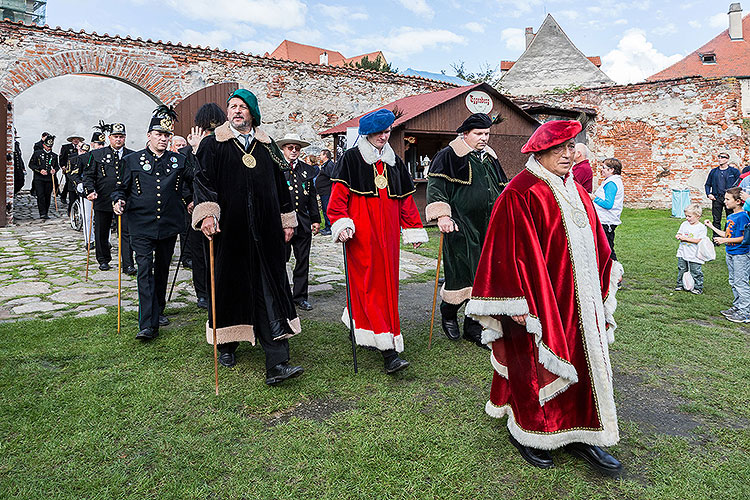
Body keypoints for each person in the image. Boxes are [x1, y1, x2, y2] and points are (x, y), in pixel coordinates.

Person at [466, 120, 624, 476]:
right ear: (541, 151)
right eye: (560, 148)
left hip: (580, 302)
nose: (569, 155)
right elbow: (501, 250)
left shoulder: (577, 191)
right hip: (537, 303)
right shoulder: (521, 191)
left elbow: (598, 241)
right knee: (532, 365)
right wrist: (515, 301)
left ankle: (582, 433)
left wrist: (606, 272)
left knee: (582, 363)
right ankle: (529, 432)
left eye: (572, 147)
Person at [192, 89, 303, 385]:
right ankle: (226, 343)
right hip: (229, 231)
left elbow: (282, 185)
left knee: (271, 288)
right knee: (229, 285)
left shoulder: (267, 147)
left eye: (242, 107)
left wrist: (287, 218)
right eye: (232, 106)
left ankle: (277, 361)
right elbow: (202, 181)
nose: (236, 111)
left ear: (252, 112)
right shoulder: (212, 144)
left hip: (266, 233)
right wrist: (207, 214)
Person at [327, 108, 428, 374]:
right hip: (361, 235)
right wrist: (342, 224)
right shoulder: (351, 159)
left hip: (389, 237)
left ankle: (362, 326)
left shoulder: (394, 162)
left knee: (386, 286)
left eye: (387, 132)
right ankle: (388, 351)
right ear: (367, 133)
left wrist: (413, 228)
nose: (384, 137)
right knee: (368, 284)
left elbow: (405, 200)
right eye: (379, 132)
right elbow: (337, 201)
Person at [425, 112, 507, 348]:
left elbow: (501, 187)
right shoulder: (449, 155)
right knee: (460, 273)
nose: (484, 138)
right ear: (465, 134)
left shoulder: (490, 157)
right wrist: (443, 215)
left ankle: (473, 327)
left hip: (488, 225)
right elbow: (436, 186)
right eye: (479, 134)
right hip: (460, 225)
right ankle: (448, 312)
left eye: (487, 134)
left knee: (483, 277)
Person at [113, 106, 190, 340]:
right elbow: (120, 188)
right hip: (141, 225)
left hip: (168, 224)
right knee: (144, 271)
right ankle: (147, 324)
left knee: (162, 270)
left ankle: (158, 311)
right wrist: (118, 200)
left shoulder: (179, 160)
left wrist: (190, 200)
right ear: (149, 135)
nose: (164, 139)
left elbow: (191, 183)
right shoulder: (131, 160)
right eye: (159, 134)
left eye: (167, 135)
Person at [182, 102, 227, 310]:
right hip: (196, 208)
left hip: (221, 206)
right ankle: (202, 292)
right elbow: (185, 179)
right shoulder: (186, 153)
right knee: (199, 254)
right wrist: (195, 150)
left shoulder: (224, 148)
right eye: (207, 129)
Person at [83, 122, 136, 274]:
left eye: (121, 137)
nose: (118, 140)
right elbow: (88, 176)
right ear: (109, 138)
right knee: (101, 231)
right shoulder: (97, 155)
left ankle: (128, 263)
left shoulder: (132, 155)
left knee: (126, 232)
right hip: (103, 198)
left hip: (124, 200)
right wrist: (90, 190)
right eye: (115, 137)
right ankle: (103, 259)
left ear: (125, 138)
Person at [278, 133, 320, 311]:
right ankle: (281, 297)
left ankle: (300, 297)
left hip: (303, 223)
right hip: (282, 224)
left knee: (302, 261)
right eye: (290, 148)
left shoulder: (306, 170)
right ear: (284, 149)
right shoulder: (277, 168)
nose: (294, 151)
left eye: (297, 148)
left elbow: (311, 197)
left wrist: (316, 220)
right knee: (281, 261)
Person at [705, 187, 750, 323]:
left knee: (741, 282)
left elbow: (744, 238)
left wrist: (725, 241)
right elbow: (727, 234)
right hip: (730, 253)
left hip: (740, 254)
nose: (725, 201)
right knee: (733, 281)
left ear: (738, 201)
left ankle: (745, 312)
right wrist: (711, 227)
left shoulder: (743, 216)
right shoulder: (731, 216)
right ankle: (737, 307)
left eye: (727, 199)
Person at [591, 158, 624, 261]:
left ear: (612, 170)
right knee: (605, 248)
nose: (602, 170)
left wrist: (594, 198)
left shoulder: (611, 183)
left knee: (607, 249)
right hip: (606, 220)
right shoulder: (611, 181)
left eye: (604, 168)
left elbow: (608, 204)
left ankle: (614, 271)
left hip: (606, 221)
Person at [675, 203, 707, 294]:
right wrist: (678, 235)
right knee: (682, 268)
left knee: (695, 270)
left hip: (694, 254)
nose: (687, 218)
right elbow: (680, 233)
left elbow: (699, 240)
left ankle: (697, 287)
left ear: (698, 216)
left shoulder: (701, 228)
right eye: (686, 216)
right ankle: (680, 284)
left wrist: (686, 239)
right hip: (683, 251)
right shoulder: (684, 224)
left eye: (689, 216)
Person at [705, 152, 740, 230]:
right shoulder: (714, 172)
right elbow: (707, 184)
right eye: (719, 157)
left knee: (730, 218)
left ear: (727, 159)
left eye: (723, 157)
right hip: (717, 198)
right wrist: (708, 194)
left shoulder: (734, 171)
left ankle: (728, 236)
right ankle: (716, 239)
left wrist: (735, 196)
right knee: (716, 220)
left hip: (730, 198)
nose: (720, 159)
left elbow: (739, 184)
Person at [28, 134, 59, 220]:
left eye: (50, 146)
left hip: (49, 179)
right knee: (40, 195)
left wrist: (54, 170)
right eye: (47, 146)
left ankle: (46, 211)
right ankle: (42, 213)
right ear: (44, 145)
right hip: (39, 178)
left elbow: (57, 166)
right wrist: (40, 170)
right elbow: (31, 165)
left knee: (47, 195)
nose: (49, 148)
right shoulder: (37, 154)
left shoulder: (54, 156)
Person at [59, 135, 84, 204]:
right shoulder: (66, 147)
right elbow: (62, 157)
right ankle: (64, 196)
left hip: (78, 169)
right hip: (68, 169)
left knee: (73, 183)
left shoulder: (82, 147)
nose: (76, 140)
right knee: (69, 182)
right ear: (72, 140)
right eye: (74, 139)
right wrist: (63, 166)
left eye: (77, 139)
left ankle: (74, 197)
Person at [315, 148, 335, 235]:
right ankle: (327, 226)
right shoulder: (326, 165)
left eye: (321, 155)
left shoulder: (329, 165)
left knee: (327, 209)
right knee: (324, 209)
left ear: (325, 155)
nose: (320, 156)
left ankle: (329, 227)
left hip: (327, 191)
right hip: (323, 191)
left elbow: (333, 177)